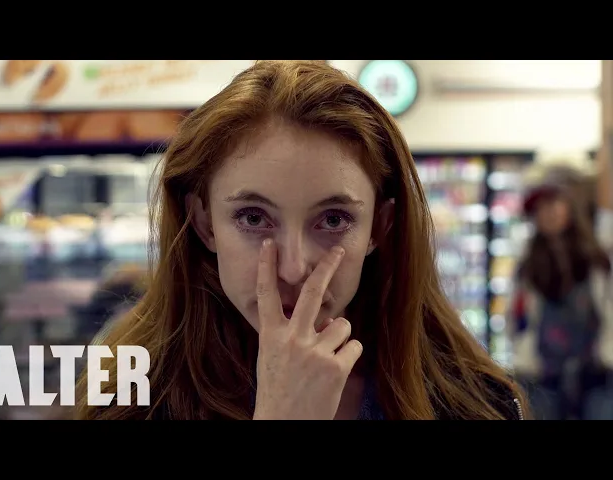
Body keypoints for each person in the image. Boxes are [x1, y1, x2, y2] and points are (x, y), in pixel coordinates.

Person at [75, 60, 526, 420]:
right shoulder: (130, 397)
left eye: (333, 219)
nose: (293, 269)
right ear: (204, 223)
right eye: (253, 217)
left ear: (380, 227)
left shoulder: (475, 404)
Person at [507, 154, 613, 420]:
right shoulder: (528, 262)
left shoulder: (596, 255)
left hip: (595, 372)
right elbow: (516, 316)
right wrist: (522, 354)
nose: (548, 212)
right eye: (540, 207)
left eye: (554, 203)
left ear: (569, 206)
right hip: (544, 375)